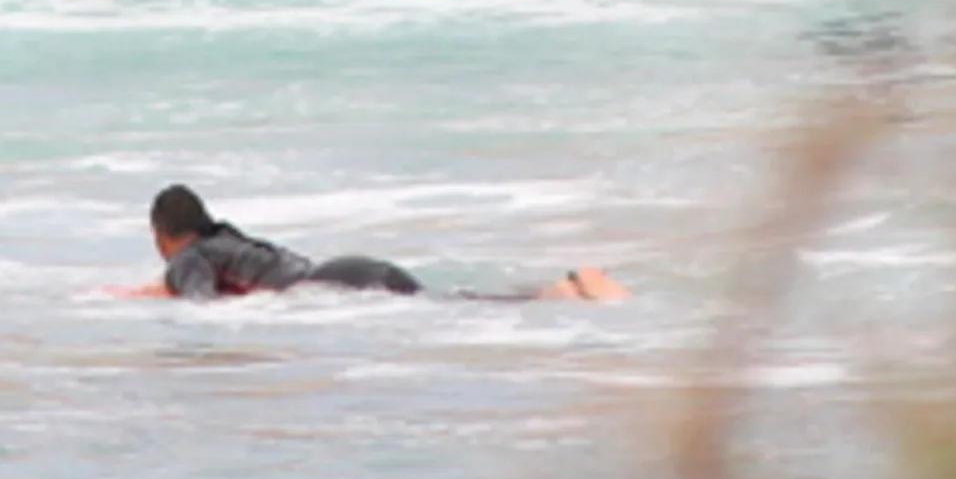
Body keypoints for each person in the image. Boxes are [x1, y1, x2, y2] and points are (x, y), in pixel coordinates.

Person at [129, 184, 629, 302]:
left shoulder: (189, 257)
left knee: (458, 309)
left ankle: (570, 291)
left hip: (335, 287)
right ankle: (571, 288)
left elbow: (203, 309)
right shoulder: (225, 240)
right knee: (455, 305)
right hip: (346, 271)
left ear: (162, 236)